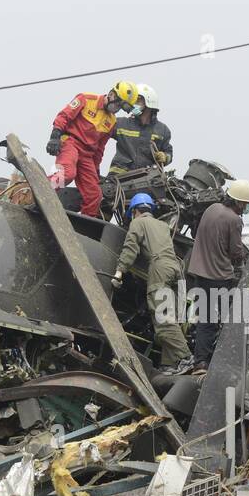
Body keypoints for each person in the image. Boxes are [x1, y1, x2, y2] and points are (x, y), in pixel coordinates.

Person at [112, 193, 193, 374]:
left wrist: (119, 273)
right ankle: (169, 364)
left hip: (160, 267)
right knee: (173, 317)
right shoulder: (163, 225)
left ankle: (185, 358)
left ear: (135, 211)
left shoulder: (138, 223)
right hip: (177, 268)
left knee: (162, 318)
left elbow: (130, 248)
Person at [46, 81, 139, 218]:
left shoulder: (111, 121)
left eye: (120, 107)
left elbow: (100, 149)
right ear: (112, 94)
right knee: (66, 174)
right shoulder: (86, 99)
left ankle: (85, 225)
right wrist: (55, 136)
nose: (117, 109)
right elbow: (64, 116)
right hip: (70, 143)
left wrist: (95, 172)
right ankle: (39, 190)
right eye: (117, 104)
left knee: (94, 194)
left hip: (87, 155)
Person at [185, 179, 249, 373]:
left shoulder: (211, 208)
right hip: (219, 276)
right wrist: (245, 258)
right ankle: (227, 362)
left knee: (205, 318)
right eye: (245, 205)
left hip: (198, 272)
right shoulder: (234, 220)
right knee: (229, 319)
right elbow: (236, 252)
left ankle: (201, 362)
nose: (245, 208)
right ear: (239, 202)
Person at [107, 83, 172, 176]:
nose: (133, 104)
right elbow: (99, 134)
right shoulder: (120, 123)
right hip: (118, 179)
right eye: (132, 100)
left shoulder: (162, 130)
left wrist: (165, 157)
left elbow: (168, 152)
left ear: (149, 103)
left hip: (146, 179)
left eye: (137, 100)